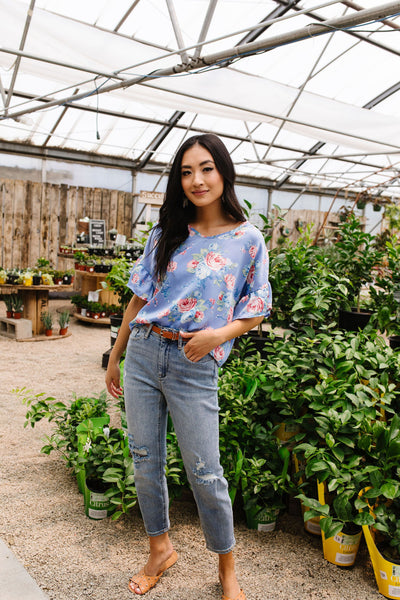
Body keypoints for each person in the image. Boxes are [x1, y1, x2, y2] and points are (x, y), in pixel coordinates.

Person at [105, 133, 272, 600]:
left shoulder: (247, 239)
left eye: (205, 168)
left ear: (223, 173)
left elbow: (256, 308)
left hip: (194, 362)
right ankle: (160, 549)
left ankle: (226, 569)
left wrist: (220, 335)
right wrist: (116, 357)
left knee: (206, 472)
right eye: (185, 172)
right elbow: (138, 299)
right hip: (142, 351)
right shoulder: (166, 233)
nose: (196, 180)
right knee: (144, 461)